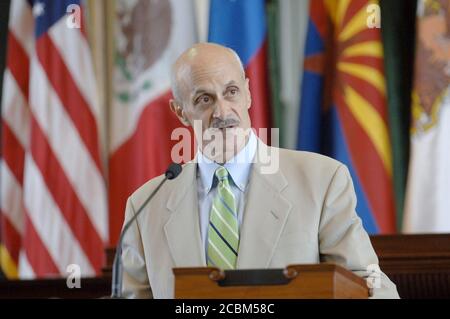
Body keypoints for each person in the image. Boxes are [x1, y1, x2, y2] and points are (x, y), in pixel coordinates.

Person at [121, 43, 399, 299]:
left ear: (248, 93)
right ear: (180, 112)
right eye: (204, 99)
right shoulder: (145, 206)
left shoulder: (323, 180)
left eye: (231, 92)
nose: (222, 112)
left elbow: (368, 283)